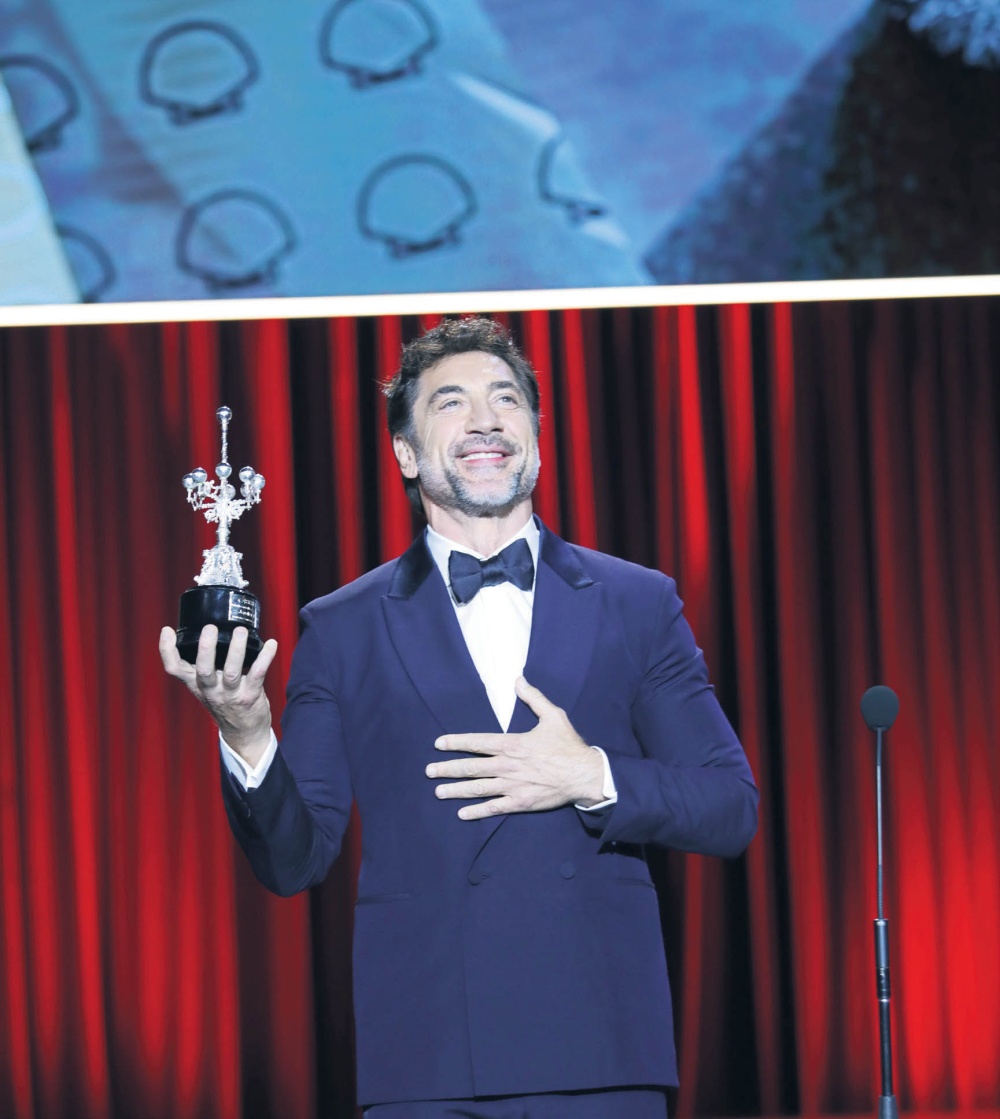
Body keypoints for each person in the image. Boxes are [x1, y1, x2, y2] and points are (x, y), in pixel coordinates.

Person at [160, 317, 759, 1118]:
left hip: (598, 1049)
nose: (485, 419)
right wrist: (246, 733)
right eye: (451, 402)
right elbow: (294, 859)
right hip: (430, 1056)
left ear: (535, 438)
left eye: (505, 399)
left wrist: (592, 775)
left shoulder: (637, 602)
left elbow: (730, 806)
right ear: (406, 454)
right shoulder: (342, 626)